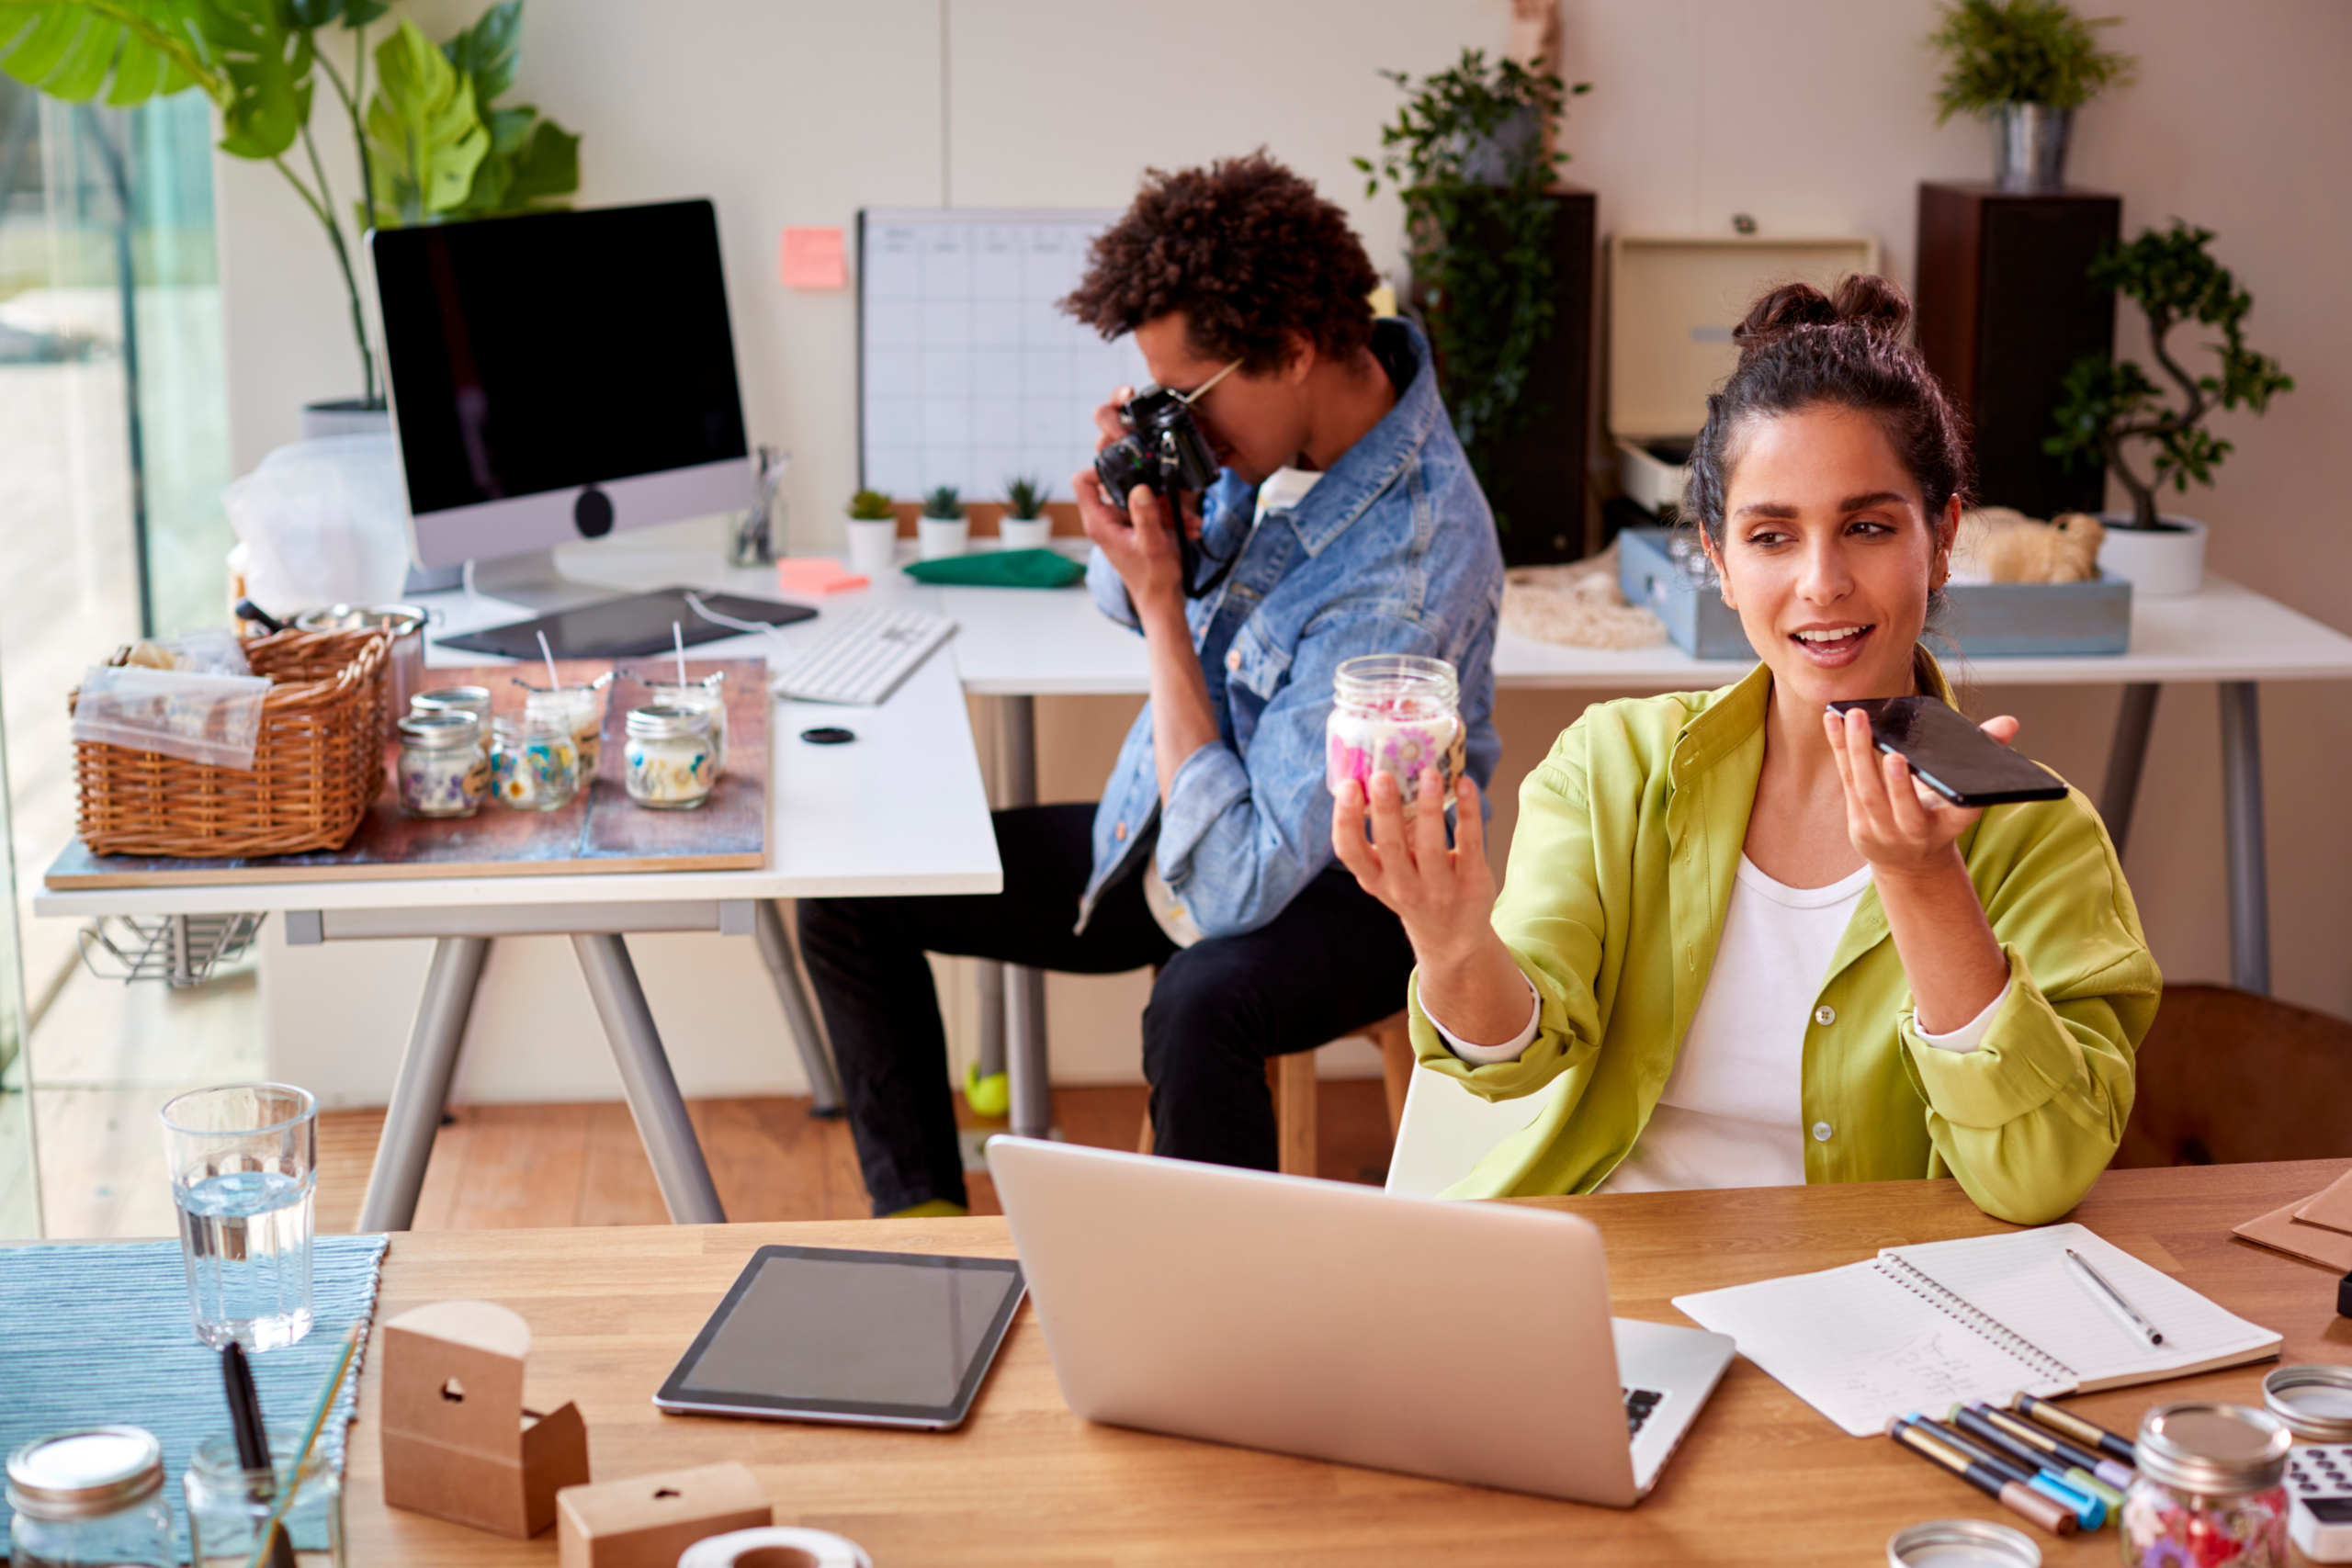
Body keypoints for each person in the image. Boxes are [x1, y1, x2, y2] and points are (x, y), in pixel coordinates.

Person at [1336, 276, 2157, 1227]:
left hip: (1867, 1308)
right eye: (1772, 536)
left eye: (1867, 526)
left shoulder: (2038, 838)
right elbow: (1520, 1052)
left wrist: (1926, 881)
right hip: (1610, 1279)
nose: (1821, 582)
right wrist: (1449, 942)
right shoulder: (1610, 768)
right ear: (1720, 564)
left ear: (1940, 540)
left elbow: (2038, 1177)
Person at [798, 152, 1505, 1217]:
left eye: (1187, 397)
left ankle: (1218, 1334)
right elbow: (1127, 603)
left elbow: (1232, 887)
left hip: (1355, 887)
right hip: (1197, 821)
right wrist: (1150, 523)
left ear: (1297, 350)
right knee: (852, 903)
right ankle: (926, 1242)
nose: (1177, 421)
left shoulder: (1406, 567)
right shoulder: (1281, 440)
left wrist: (1166, 604)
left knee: (1198, 1005)